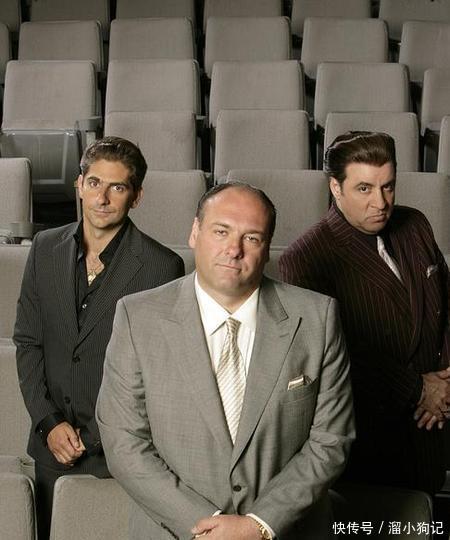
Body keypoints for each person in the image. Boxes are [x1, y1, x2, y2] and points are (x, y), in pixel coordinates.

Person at [96, 182, 354, 540]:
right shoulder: (137, 317)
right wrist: (205, 526)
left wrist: (260, 524)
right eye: (221, 231)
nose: (234, 250)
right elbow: (123, 442)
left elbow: (331, 439)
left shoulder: (317, 318)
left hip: (285, 531)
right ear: (195, 232)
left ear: (267, 248)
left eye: (252, 238)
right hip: (175, 532)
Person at [14, 136, 185, 539]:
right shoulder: (44, 248)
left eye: (117, 187)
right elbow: (28, 342)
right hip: (50, 447)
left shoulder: (162, 267)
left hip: (120, 457)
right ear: (79, 185)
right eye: (94, 183)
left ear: (137, 196)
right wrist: (49, 423)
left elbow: (157, 376)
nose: (102, 198)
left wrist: (91, 439)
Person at [280, 132, 450, 498]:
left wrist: (445, 384)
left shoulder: (415, 224)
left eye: (388, 186)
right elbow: (337, 354)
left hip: (434, 422)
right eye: (364, 189)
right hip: (371, 438)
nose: (381, 202)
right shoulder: (306, 257)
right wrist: (420, 390)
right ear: (335, 188)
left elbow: (447, 304)